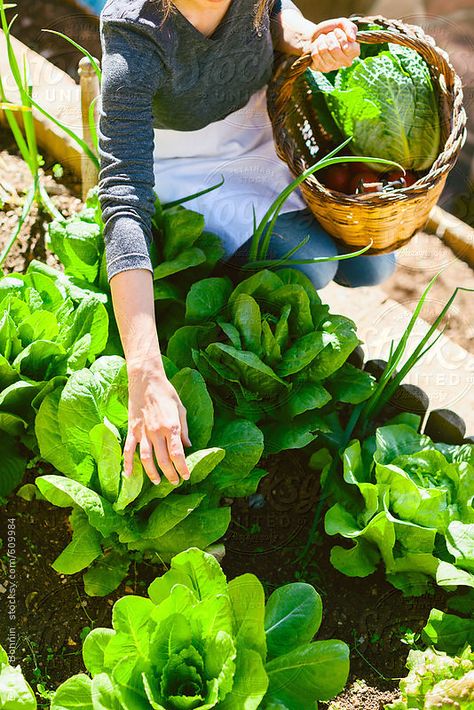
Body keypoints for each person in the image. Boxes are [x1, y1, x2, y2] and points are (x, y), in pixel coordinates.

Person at [98, 0, 396, 487]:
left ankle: (271, 266)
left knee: (373, 264)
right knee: (315, 262)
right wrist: (145, 370)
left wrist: (307, 37)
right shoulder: (136, 33)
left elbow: (274, 12)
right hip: (188, 161)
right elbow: (123, 200)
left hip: (260, 130)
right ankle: (241, 283)